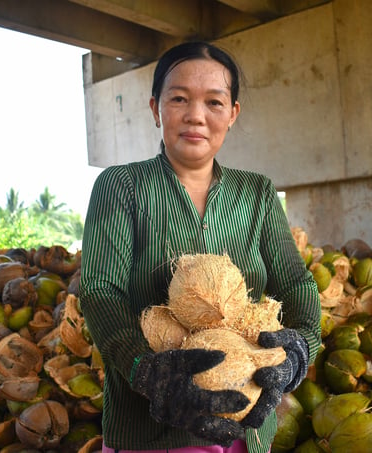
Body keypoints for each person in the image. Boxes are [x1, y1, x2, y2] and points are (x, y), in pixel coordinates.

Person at [79, 40, 321, 453]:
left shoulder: (258, 193)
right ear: (156, 108)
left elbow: (296, 283)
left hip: (245, 431)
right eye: (179, 98)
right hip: (149, 434)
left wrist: (301, 350)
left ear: (233, 113)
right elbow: (101, 290)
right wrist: (146, 371)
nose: (196, 116)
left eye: (214, 102)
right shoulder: (121, 186)